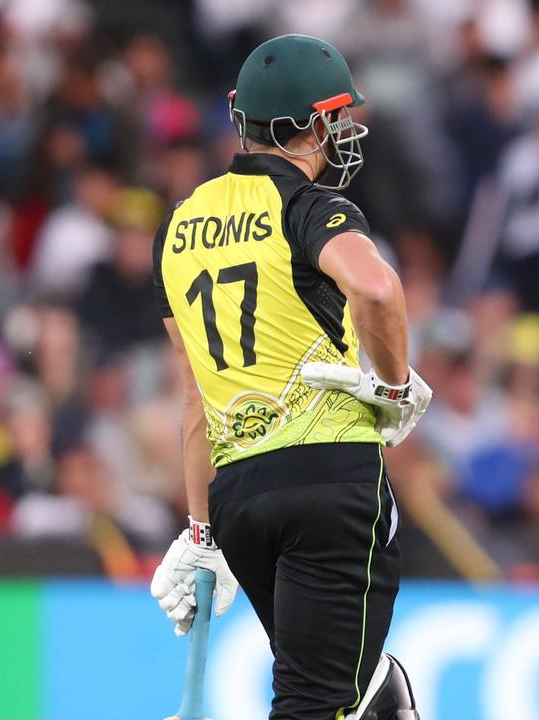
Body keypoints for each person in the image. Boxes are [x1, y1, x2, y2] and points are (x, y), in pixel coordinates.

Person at [147, 34, 428, 720]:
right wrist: (393, 387)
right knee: (316, 701)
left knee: (326, 690)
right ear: (318, 122)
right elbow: (379, 290)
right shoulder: (308, 207)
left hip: (240, 495)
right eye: (338, 118)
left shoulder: (178, 227)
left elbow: (193, 399)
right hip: (329, 481)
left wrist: (200, 530)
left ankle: (382, 700)